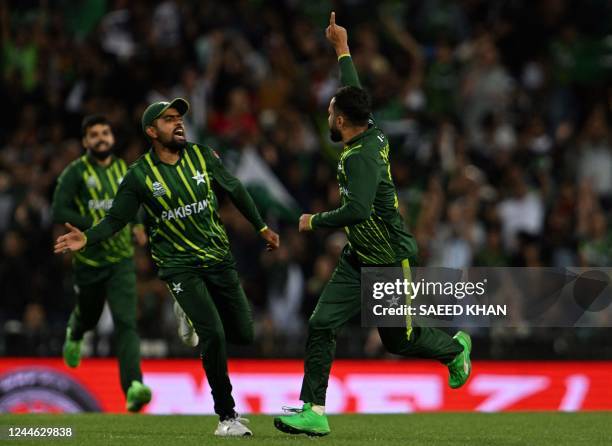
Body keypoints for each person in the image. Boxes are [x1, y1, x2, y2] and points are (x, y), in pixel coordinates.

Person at [274, 13, 472, 437]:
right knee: (321, 323)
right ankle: (314, 409)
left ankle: (454, 348)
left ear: (341, 121)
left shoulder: (361, 156)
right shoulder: (371, 130)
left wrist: (314, 220)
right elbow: (355, 92)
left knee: (398, 341)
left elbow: (358, 210)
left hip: (388, 260)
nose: (329, 113)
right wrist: (341, 49)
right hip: (358, 257)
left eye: (331, 110)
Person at [55, 99, 280, 436]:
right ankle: (226, 417)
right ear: (151, 131)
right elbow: (117, 219)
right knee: (213, 334)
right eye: (169, 119)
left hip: (218, 257)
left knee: (244, 334)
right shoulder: (139, 176)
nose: (178, 124)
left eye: (179, 118)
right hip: (179, 266)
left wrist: (261, 226)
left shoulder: (202, 156)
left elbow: (234, 188)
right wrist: (87, 238)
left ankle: (187, 313)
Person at [51, 114, 152, 412]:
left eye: (105, 133)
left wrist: (135, 225)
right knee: (91, 317)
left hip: (121, 260)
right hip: (89, 261)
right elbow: (59, 209)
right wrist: (97, 224)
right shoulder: (75, 172)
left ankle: (133, 386)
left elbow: (135, 204)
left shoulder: (124, 169)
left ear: (112, 137)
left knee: (126, 323)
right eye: (94, 134)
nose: (101, 138)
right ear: (85, 141)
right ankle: (76, 331)